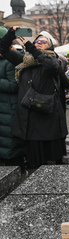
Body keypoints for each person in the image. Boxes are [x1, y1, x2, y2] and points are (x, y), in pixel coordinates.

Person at [0, 27, 67, 167]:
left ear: (51, 45)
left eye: (43, 41)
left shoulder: (54, 60)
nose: (38, 43)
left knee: (50, 160)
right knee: (33, 160)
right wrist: (11, 33)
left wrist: (32, 49)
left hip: (47, 116)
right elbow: (4, 49)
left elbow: (52, 67)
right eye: (37, 41)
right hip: (29, 116)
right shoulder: (25, 60)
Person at [0, 26, 26, 170]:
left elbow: (14, 86)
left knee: (11, 147)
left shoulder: (10, 60)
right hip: (3, 110)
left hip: (9, 111)